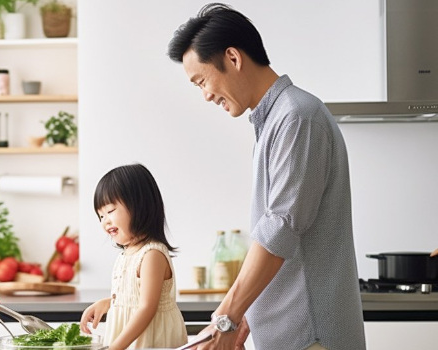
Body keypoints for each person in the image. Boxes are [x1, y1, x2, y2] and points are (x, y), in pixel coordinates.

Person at [167, 3, 366, 350]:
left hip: (310, 336)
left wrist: (226, 316)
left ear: (232, 57)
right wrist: (247, 313)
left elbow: (281, 227)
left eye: (202, 81)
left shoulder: (297, 118)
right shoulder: (275, 120)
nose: (206, 95)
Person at [80, 163, 188, 349]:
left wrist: (115, 347)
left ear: (139, 206)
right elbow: (133, 299)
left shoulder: (152, 254)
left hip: (150, 342)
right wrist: (108, 303)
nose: (105, 221)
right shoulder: (126, 254)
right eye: (101, 216)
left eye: (110, 211)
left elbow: (147, 308)